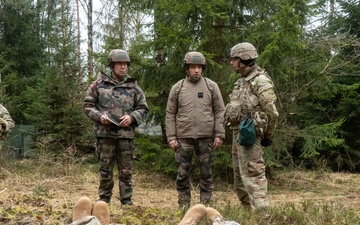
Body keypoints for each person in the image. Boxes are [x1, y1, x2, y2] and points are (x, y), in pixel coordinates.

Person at [83, 49, 149, 205]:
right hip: (104, 135)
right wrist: (100, 117)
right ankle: (103, 200)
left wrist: (132, 117)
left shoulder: (133, 87)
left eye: (125, 64)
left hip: (125, 136)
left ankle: (126, 200)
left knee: (126, 170)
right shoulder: (98, 85)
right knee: (105, 170)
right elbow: (87, 105)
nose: (123, 67)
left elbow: (143, 108)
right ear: (112, 65)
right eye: (119, 64)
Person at [166, 51, 225, 209]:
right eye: (193, 67)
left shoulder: (211, 86)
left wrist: (219, 134)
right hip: (183, 138)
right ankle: (183, 207)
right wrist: (171, 136)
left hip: (206, 138)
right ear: (187, 68)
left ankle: (206, 207)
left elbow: (220, 111)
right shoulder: (178, 88)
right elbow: (170, 114)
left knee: (206, 173)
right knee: (182, 174)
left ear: (203, 68)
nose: (196, 70)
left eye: (199, 67)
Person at [224, 42, 279, 210]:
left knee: (253, 175)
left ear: (243, 59)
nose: (232, 63)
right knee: (239, 177)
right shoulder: (241, 82)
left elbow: (272, 113)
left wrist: (268, 136)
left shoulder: (260, 81)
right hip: (238, 134)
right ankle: (248, 214)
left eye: (234, 59)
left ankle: (262, 216)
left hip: (250, 135)